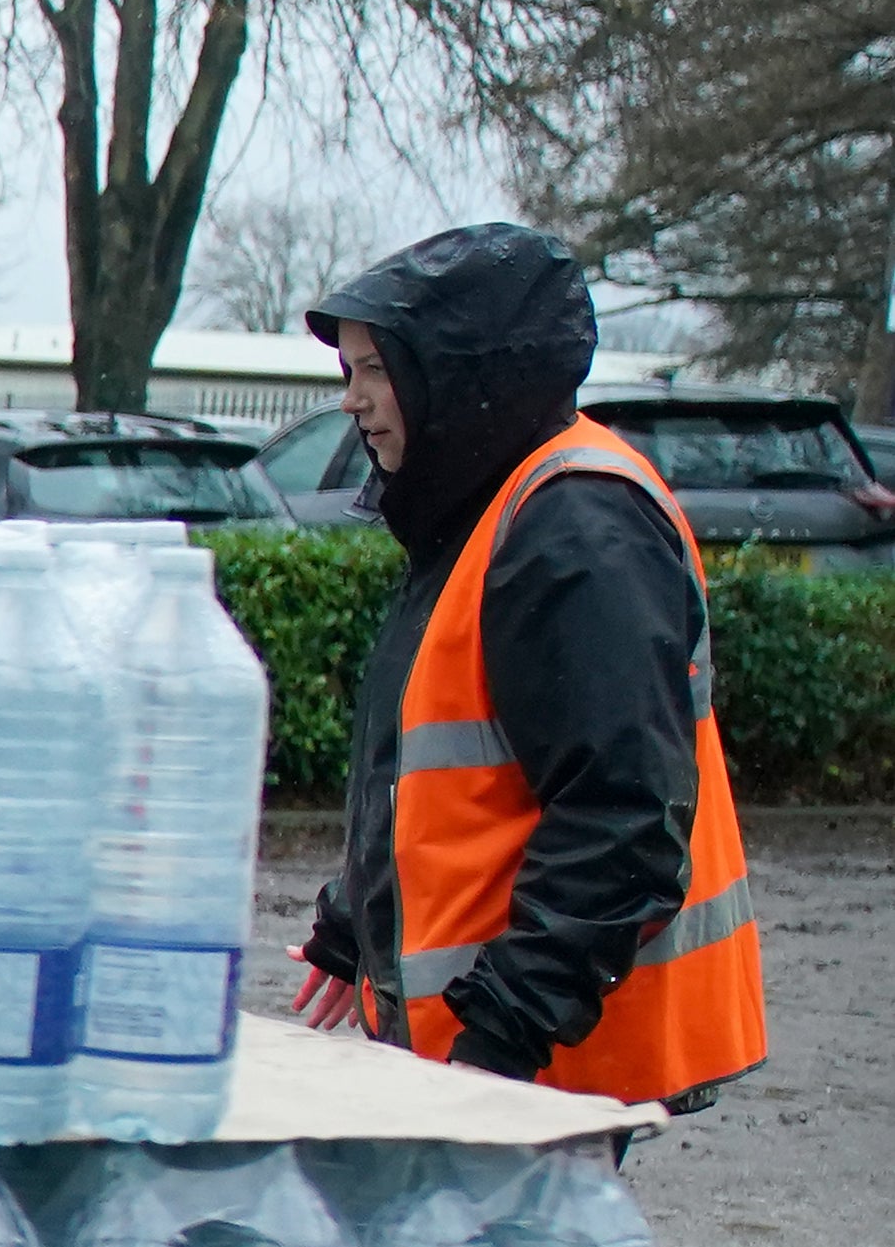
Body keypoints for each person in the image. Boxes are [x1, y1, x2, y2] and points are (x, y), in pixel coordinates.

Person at [290, 223, 765, 1104]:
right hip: (509, 1055)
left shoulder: (574, 524)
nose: (351, 401)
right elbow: (458, 778)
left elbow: (618, 820)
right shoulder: (489, 505)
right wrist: (361, 918)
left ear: (457, 371)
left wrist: (501, 1033)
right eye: (348, 371)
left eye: (376, 370)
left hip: (544, 1071)